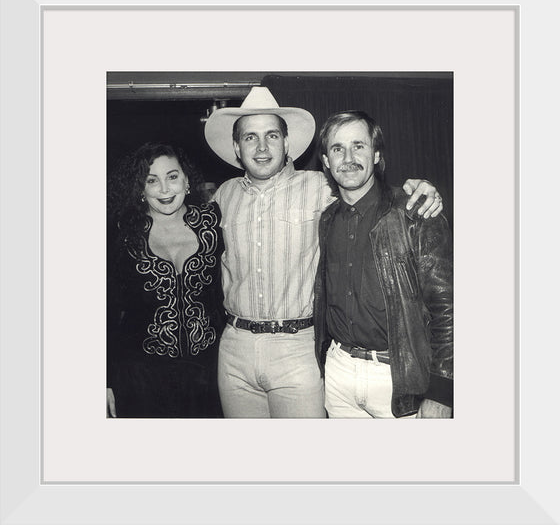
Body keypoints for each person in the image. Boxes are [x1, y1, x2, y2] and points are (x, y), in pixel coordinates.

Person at [204, 87, 444, 418]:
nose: (261, 147)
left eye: (272, 135)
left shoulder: (321, 186)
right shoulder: (221, 196)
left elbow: (369, 191)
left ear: (286, 144)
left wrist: (420, 189)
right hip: (234, 349)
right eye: (250, 138)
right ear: (236, 147)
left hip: (296, 347)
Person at [313, 111, 453, 418]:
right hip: (338, 374)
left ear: (376, 154)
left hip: (398, 376)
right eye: (337, 149)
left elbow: (447, 307)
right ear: (325, 161)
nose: (348, 157)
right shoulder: (326, 220)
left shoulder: (414, 212)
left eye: (358, 146)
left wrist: (443, 392)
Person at [106, 142, 225, 418]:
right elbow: (106, 312)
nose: (164, 189)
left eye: (172, 177)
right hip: (140, 377)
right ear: (140, 189)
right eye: (152, 180)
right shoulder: (123, 235)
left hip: (209, 374)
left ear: (186, 180)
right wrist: (105, 379)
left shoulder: (213, 223)